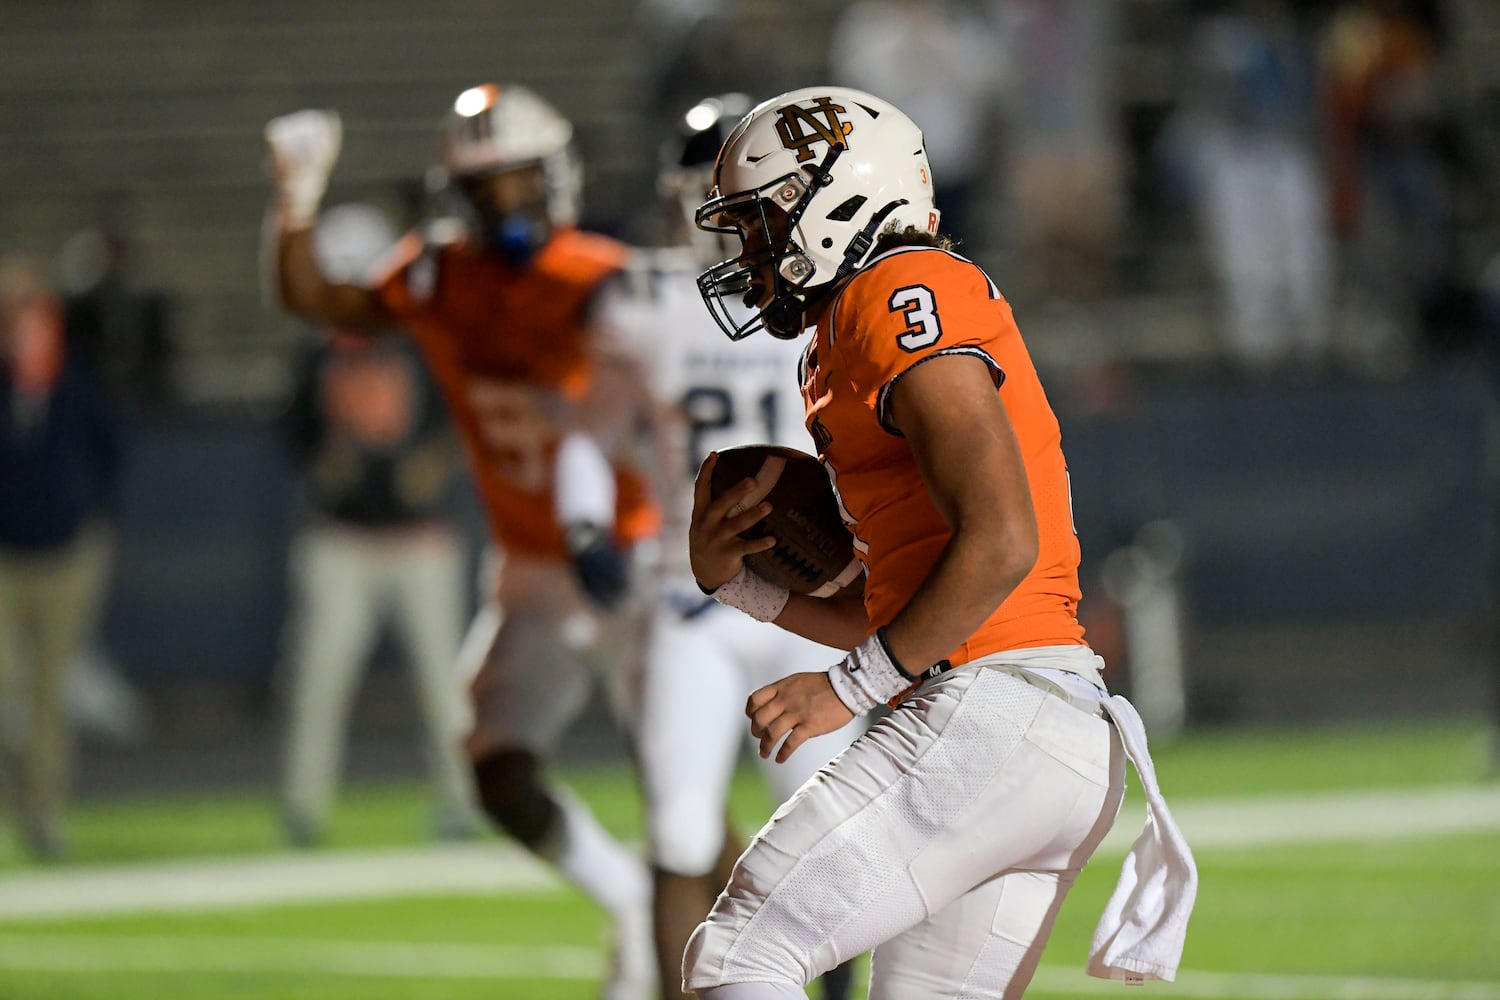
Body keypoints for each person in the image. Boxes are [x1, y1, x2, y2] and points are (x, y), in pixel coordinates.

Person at [680, 88, 1198, 998]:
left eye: (763, 222)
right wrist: (743, 590)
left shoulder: (903, 289)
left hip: (992, 715)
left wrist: (851, 691)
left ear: (833, 198)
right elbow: (900, 612)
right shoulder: (844, 333)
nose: (749, 253)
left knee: (737, 955)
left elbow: (1001, 542)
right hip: (1040, 726)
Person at [264, 84, 664, 999]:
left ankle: (720, 958)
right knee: (493, 770)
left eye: (516, 184)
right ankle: (630, 901)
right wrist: (295, 198)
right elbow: (317, 298)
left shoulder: (601, 275)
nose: (502, 206)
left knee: (679, 794)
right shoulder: (440, 275)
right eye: (482, 189)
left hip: (633, 552)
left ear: (552, 177)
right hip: (529, 565)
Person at [606, 94, 865, 1000]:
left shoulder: (833, 294)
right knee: (680, 831)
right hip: (693, 598)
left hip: (808, 597)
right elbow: (579, 432)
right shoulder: (639, 306)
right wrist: (579, 527)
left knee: (827, 838)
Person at [277, 202, 479, 848]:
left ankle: (460, 803)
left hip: (419, 539)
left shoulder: (425, 339)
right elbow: (292, 434)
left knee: (444, 686)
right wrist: (321, 460)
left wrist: (435, 461)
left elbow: (463, 418)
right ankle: (302, 807)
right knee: (318, 680)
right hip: (342, 539)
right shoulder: (315, 354)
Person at [0, 254, 120, 861]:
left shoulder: (76, 380)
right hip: (5, 556)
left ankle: (42, 816)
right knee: (4, 691)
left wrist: (89, 514)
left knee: (49, 696)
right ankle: (16, 803)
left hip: (66, 554)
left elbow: (110, 452)